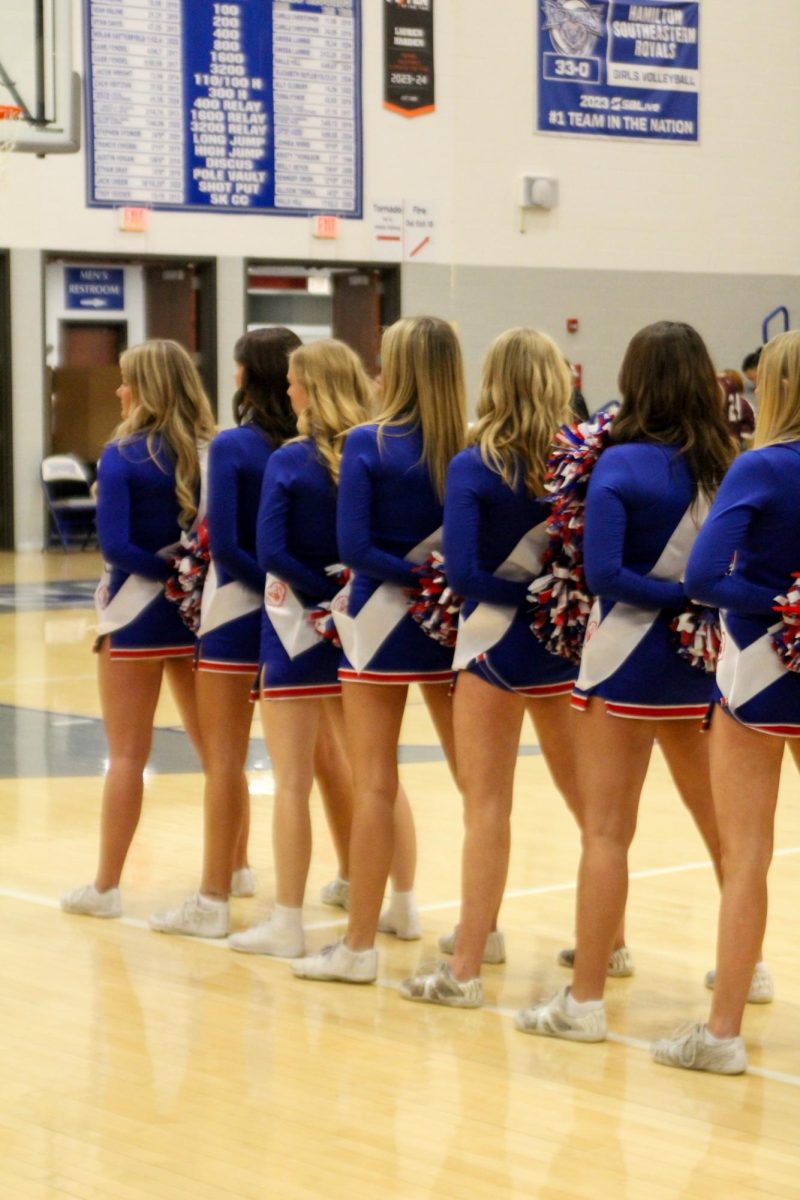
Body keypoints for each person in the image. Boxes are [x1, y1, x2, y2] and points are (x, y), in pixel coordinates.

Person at [513, 320, 737, 1042]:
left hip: (626, 664)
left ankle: (584, 1004)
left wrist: (675, 598)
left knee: (607, 833)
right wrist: (699, 602)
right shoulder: (728, 464)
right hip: (700, 671)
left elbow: (604, 575)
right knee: (727, 830)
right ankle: (748, 966)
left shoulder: (619, 464)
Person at [398, 328, 588, 1007]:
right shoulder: (581, 461)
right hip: (561, 653)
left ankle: (468, 969)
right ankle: (610, 940)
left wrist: (520, 598)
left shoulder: (476, 464)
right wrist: (550, 601)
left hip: (494, 650)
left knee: (486, 808)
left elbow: (470, 572)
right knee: (592, 808)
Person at [149, 329, 356, 938]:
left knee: (224, 762)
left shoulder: (234, 445)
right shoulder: (320, 445)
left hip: (240, 611)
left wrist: (263, 587)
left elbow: (233, 543)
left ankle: (216, 895)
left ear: (248, 375)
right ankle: (351, 875)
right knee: (326, 757)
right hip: (304, 612)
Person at [291, 315, 467, 984]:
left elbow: (354, 549)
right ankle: (486, 931)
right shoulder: (467, 448)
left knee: (373, 784)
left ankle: (359, 948)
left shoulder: (369, 442)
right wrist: (438, 583)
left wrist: (411, 583)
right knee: (476, 788)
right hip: (447, 628)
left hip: (378, 627)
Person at [652, 329, 800, 1074]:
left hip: (760, 673)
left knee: (746, 855)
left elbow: (705, 577)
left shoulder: (763, 467)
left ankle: (722, 1035)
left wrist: (778, 603)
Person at [227, 339, 395, 956]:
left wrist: (319, 595)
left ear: (313, 388)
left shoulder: (293, 459)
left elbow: (269, 551)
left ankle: (288, 924)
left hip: (294, 626)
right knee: (379, 779)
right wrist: (345, 592)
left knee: (292, 782)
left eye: (296, 383)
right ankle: (400, 907)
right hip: (360, 627)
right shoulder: (376, 451)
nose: (289, 392)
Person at [61, 339, 216, 917]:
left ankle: (105, 887)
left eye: (127, 381)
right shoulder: (214, 451)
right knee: (218, 757)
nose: (120, 391)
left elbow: (118, 547)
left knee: (127, 756)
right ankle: (236, 870)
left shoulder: (121, 454)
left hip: (134, 616)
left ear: (147, 387)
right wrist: (188, 576)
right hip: (200, 618)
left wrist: (166, 573)